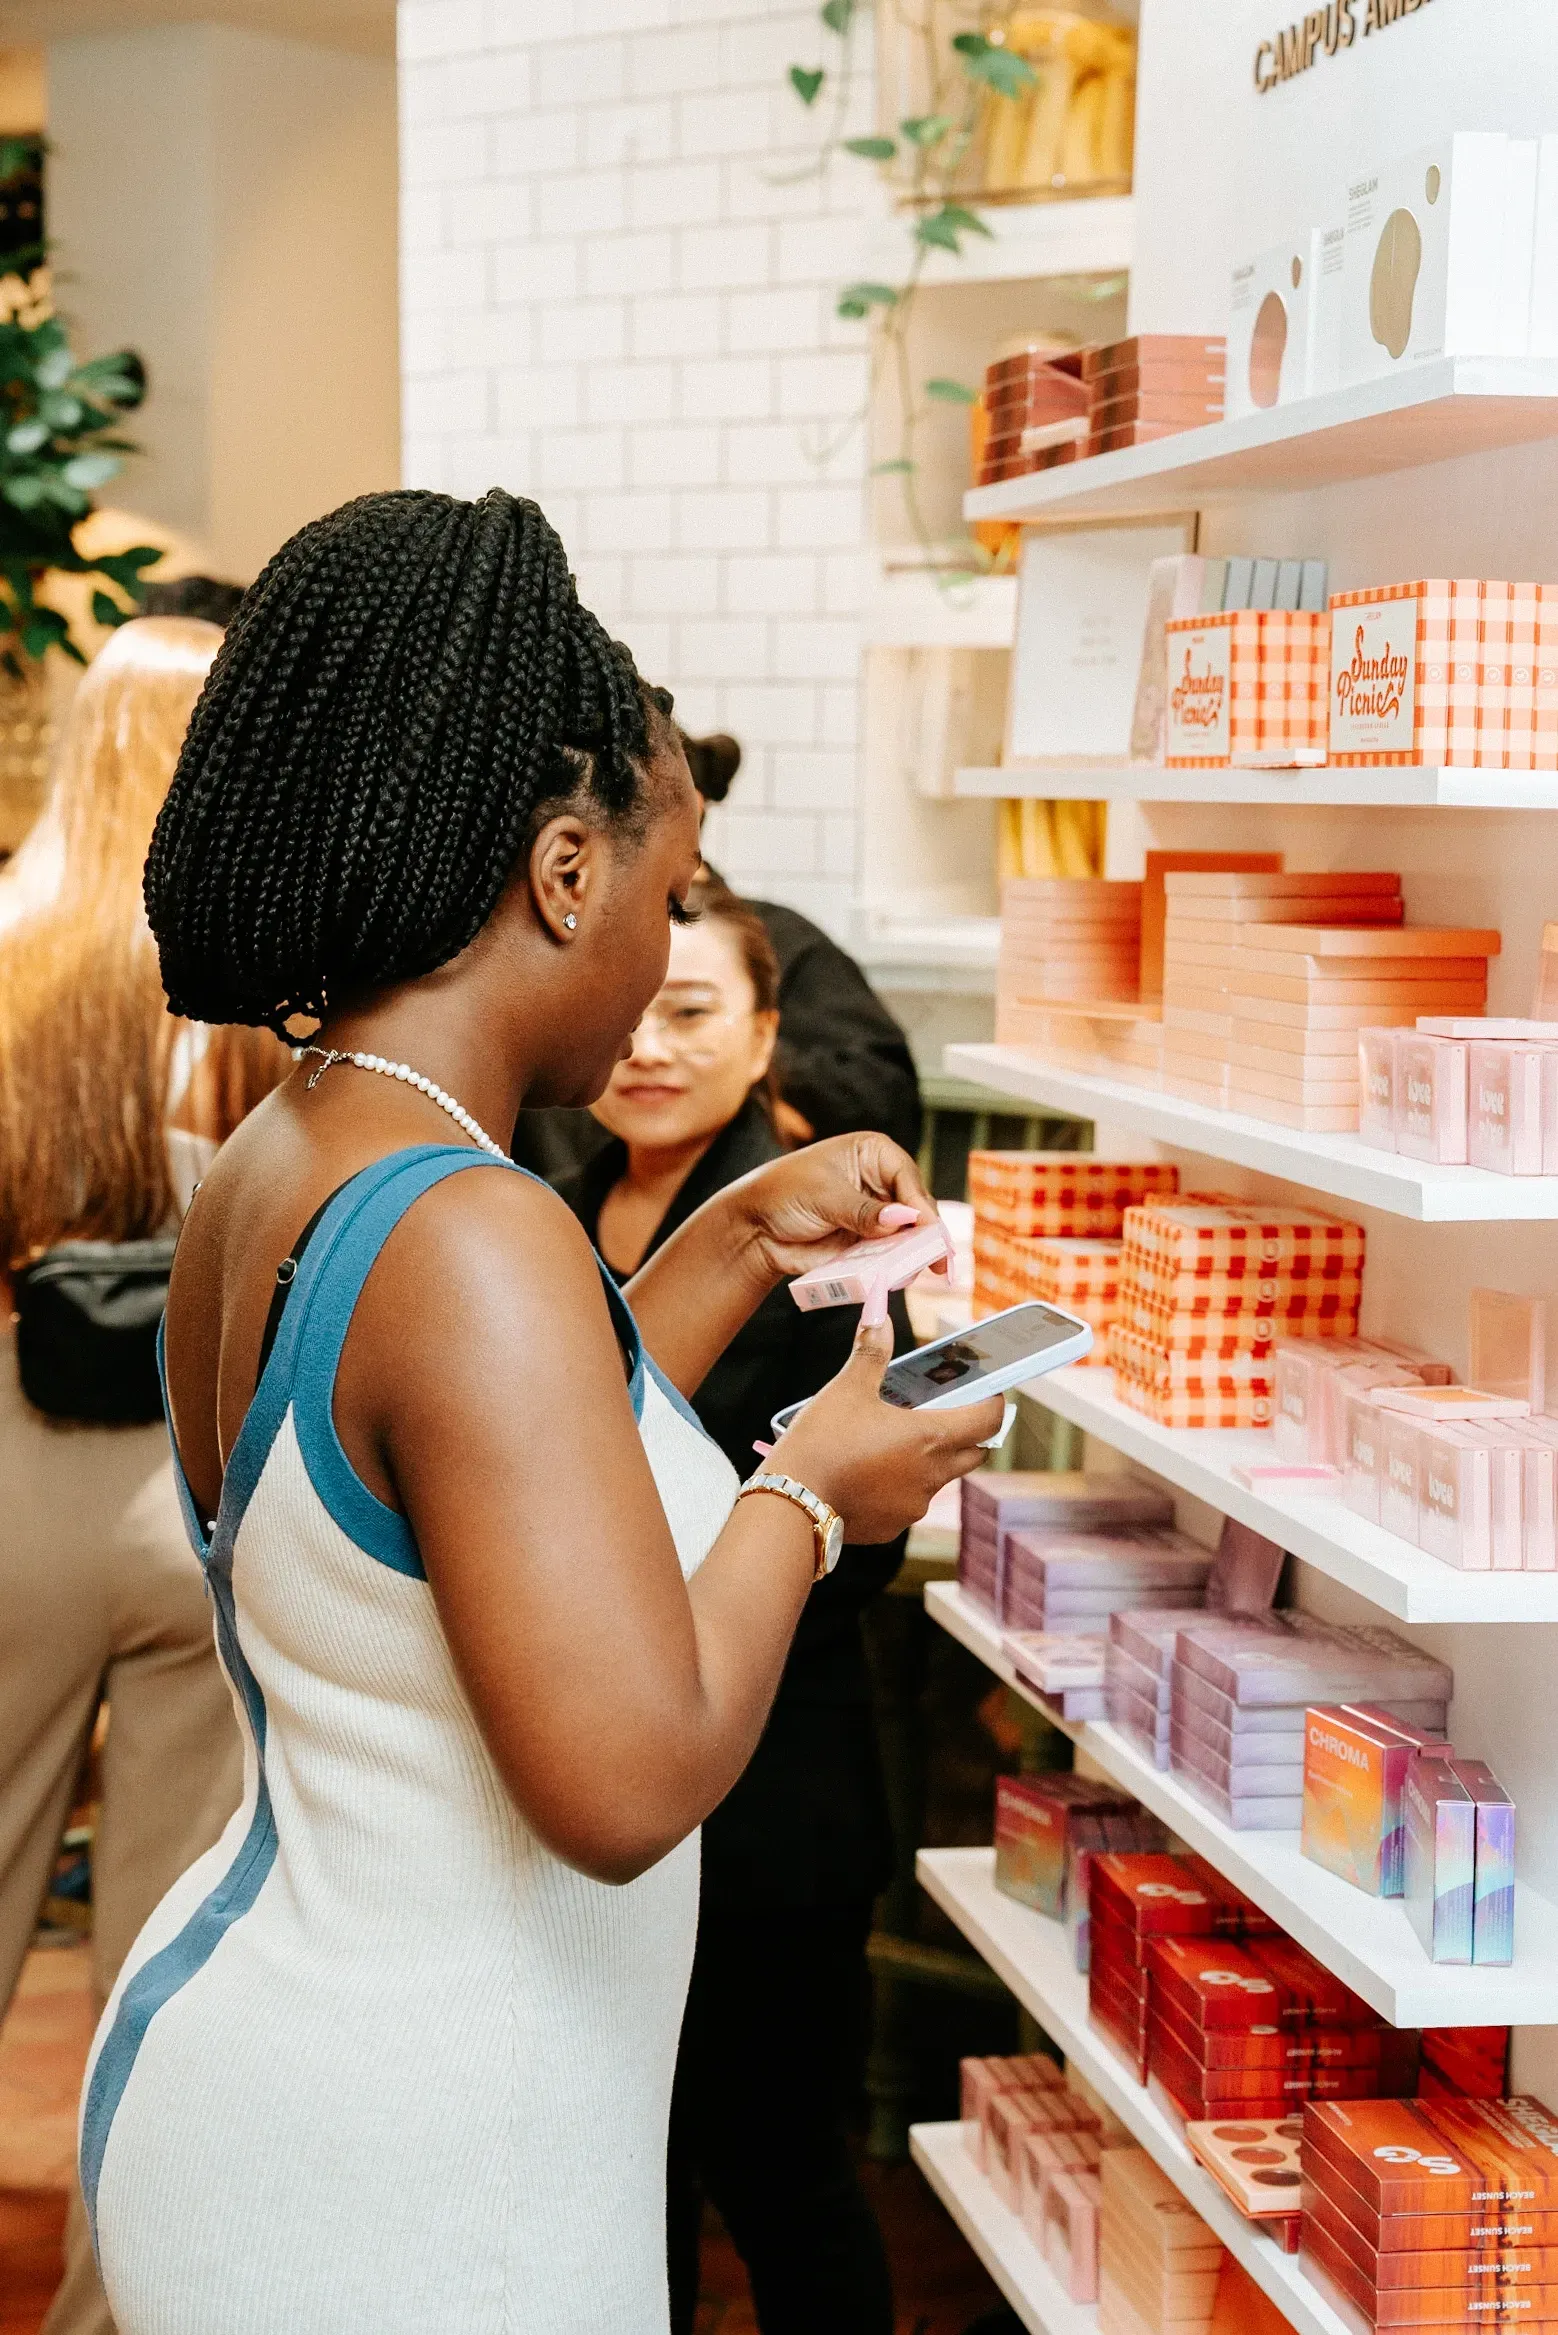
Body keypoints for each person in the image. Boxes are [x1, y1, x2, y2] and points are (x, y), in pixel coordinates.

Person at [86, 488, 1002, 2335]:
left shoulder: (310, 1150)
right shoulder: (473, 1225)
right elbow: (627, 1776)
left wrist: (740, 1233)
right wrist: (811, 1492)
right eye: (666, 898)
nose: (664, 955)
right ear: (563, 875)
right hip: (417, 2173)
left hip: (284, 2057)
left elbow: (475, 1480)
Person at [555, 880, 908, 2335]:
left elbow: (868, 1545)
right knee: (621, 2165)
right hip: (602, 1777)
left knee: (783, 2175)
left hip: (774, 1794)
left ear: (767, 1035)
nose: (647, 1043)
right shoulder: (551, 1209)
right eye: (632, 1008)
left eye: (692, 1012)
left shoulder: (829, 1227)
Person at [0, 617, 285, 2335]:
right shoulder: (267, 986)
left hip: (8, 1477)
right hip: (203, 1491)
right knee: (164, 1963)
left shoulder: (10, 952)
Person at [512, 729, 921, 1178]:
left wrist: (753, 1079)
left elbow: (883, 1100)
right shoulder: (553, 945)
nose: (645, 1051)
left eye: (689, 1012)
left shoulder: (784, 944)